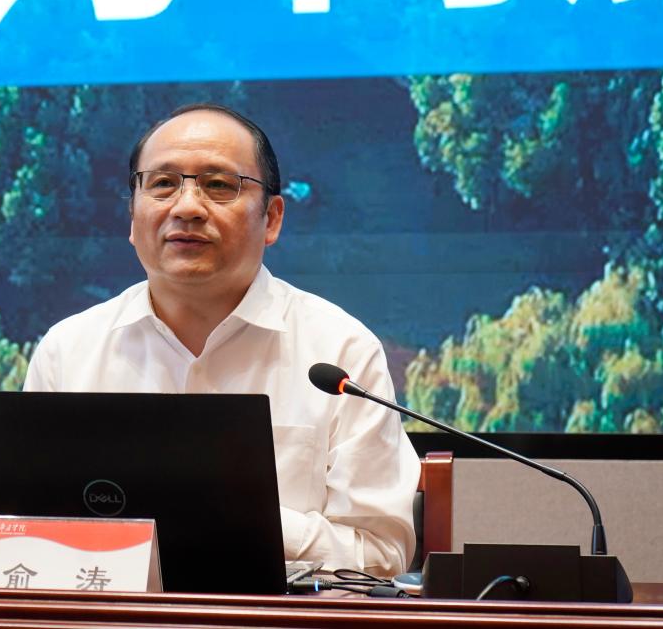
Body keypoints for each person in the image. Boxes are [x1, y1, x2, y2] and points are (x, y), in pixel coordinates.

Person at [23, 103, 420, 575]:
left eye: (218, 185)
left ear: (272, 218)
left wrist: (234, 517)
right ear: (132, 215)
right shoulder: (68, 351)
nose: (187, 208)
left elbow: (380, 553)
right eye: (162, 184)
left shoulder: (341, 353)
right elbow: (22, 533)